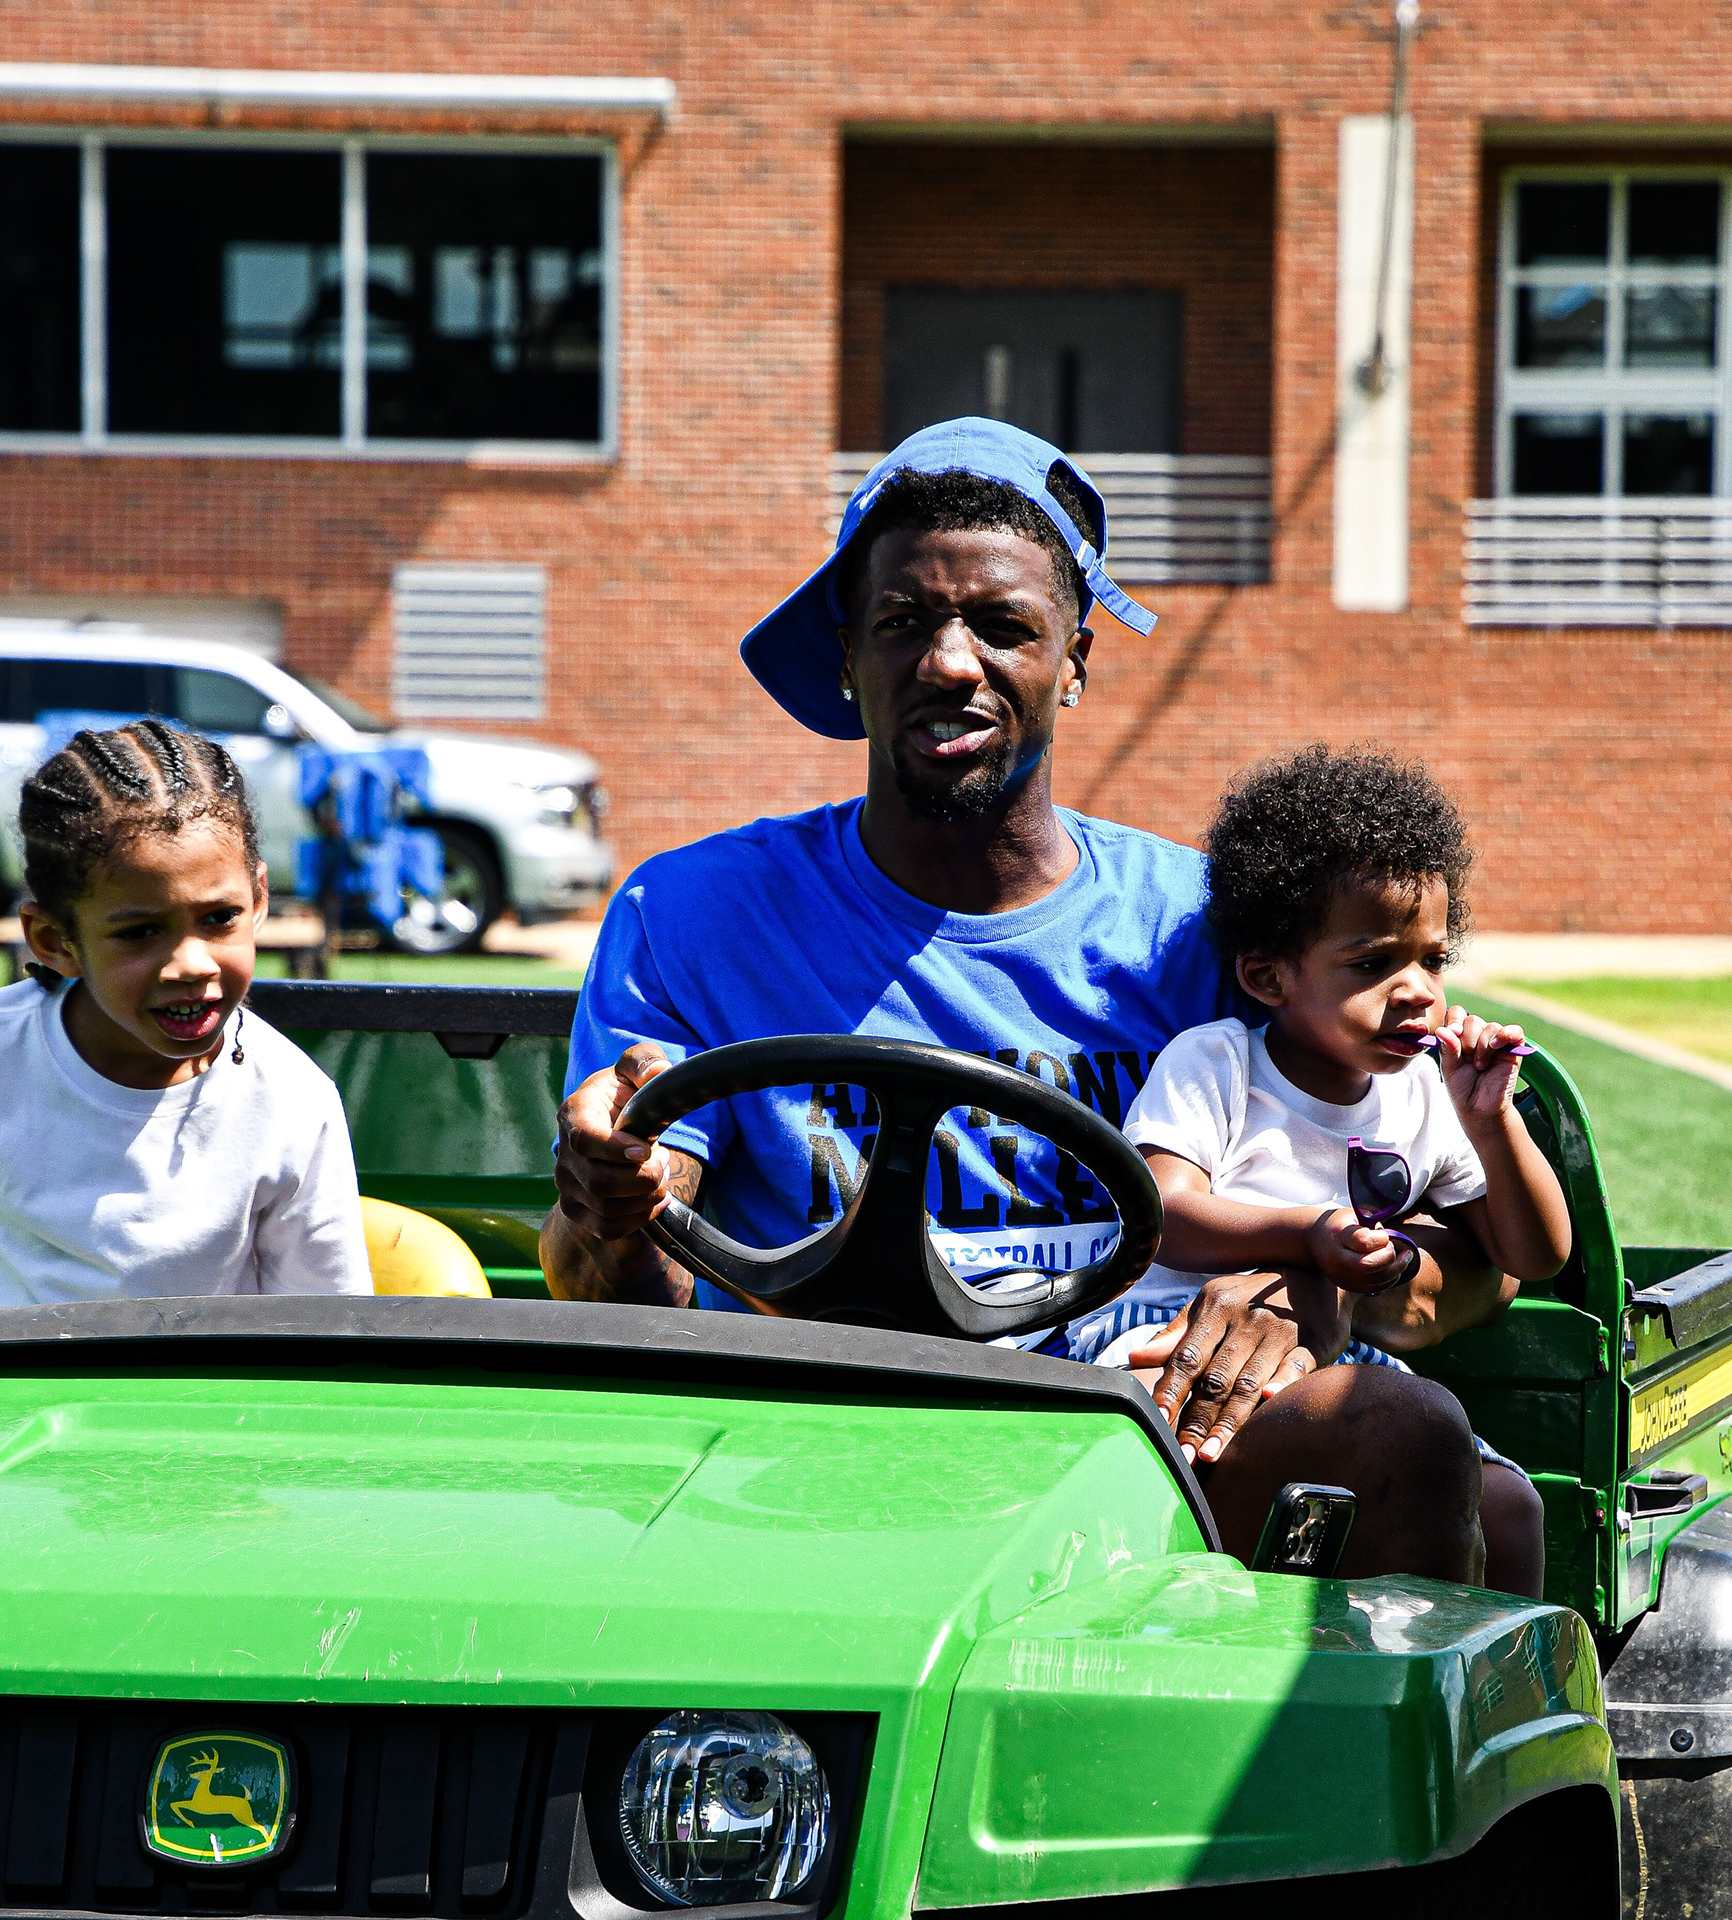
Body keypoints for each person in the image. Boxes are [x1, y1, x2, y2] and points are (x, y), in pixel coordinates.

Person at [545, 416, 1514, 1581]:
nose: (952, 662)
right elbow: (626, 1272)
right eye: (905, 622)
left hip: (1140, 1429)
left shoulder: (1212, 930)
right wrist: (609, 1196)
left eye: (1004, 627)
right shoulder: (694, 911)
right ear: (848, 655)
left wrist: (1311, 1283)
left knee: (1414, 1443)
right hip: (802, 1432)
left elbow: (1469, 1261)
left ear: (1075, 662)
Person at [1119, 745, 1570, 1595]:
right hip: (1184, 1346)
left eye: (1432, 960)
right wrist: (1309, 1236)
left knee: (1513, 1509)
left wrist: (1491, 1118)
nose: (1416, 992)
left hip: (1344, 1361)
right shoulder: (1219, 1063)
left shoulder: (1426, 1095)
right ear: (1268, 976)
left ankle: (1499, 1712)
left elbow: (1534, 1255)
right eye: (1372, 964)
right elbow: (1164, 1212)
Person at [0, 720, 371, 1308]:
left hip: (210, 1402)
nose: (190, 964)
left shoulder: (293, 1098)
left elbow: (328, 1327)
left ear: (258, 901)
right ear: (54, 940)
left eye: (218, 918)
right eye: (140, 931)